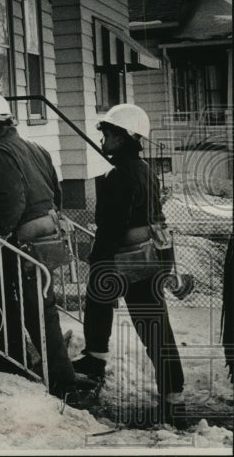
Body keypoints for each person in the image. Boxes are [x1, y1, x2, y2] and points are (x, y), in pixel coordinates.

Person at [0, 91, 92, 408]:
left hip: (25, 242)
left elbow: (14, 200)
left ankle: (61, 384)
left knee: (36, 312)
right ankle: (20, 357)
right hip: (47, 236)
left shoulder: (0, 152)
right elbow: (56, 192)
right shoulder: (36, 148)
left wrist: (2, 230)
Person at [72, 103, 186, 422]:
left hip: (129, 260)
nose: (104, 140)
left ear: (123, 138)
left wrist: (98, 259)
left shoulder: (119, 175)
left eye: (108, 134)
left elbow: (112, 226)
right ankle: (170, 389)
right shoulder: (145, 171)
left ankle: (98, 361)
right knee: (150, 324)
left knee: (137, 319)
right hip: (148, 257)